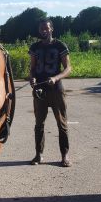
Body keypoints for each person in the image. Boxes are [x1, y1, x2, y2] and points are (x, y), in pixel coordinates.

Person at [29, 19, 73, 167]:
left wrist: (55, 78)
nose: (44, 30)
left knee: (62, 124)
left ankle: (65, 156)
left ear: (51, 29)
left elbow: (68, 68)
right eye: (41, 28)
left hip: (56, 90)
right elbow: (32, 68)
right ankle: (38, 155)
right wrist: (32, 78)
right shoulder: (34, 47)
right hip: (39, 90)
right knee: (39, 124)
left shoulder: (60, 45)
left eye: (46, 28)